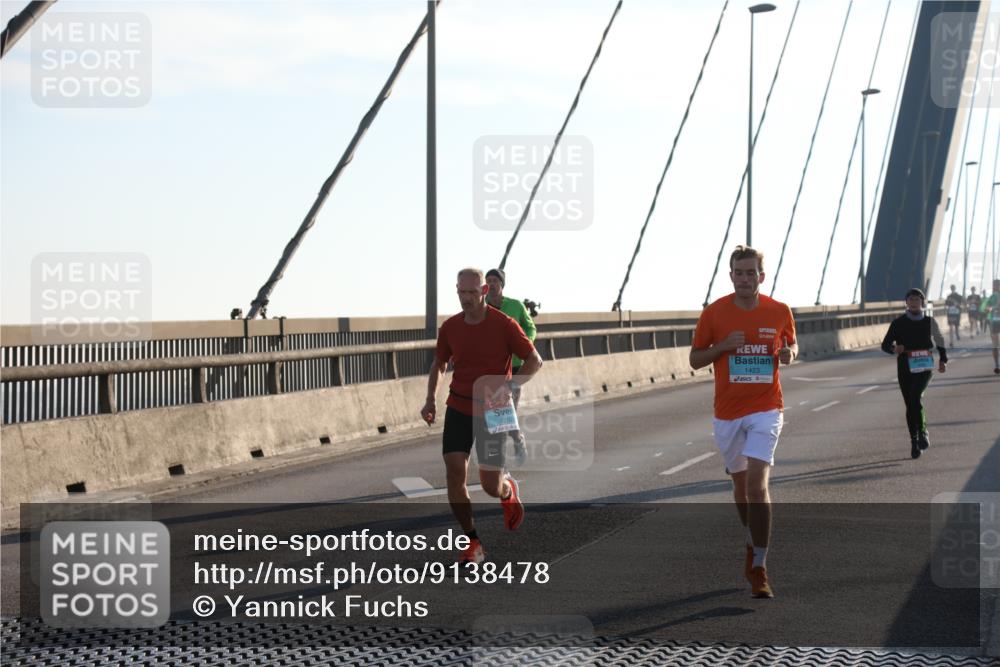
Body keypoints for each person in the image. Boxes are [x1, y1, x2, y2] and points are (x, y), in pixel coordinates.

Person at [690, 245, 797, 599]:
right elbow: (695, 359)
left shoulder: (779, 311)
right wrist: (722, 347)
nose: (745, 279)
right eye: (740, 273)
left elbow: (792, 345)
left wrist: (789, 354)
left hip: (767, 408)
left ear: (761, 277)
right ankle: (752, 541)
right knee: (740, 488)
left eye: (752, 273)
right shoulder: (714, 313)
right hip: (728, 413)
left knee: (756, 486)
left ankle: (760, 565)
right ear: (731, 276)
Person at [420, 268, 543, 564]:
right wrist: (430, 399)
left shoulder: (504, 324)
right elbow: (440, 363)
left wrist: (509, 386)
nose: (466, 298)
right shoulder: (451, 327)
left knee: (490, 486)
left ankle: (507, 491)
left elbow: (534, 360)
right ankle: (472, 542)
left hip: (494, 409)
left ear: (484, 291)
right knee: (454, 471)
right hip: (459, 405)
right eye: (461, 292)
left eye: (472, 292)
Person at [880, 288, 948, 459]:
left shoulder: (929, 321)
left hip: (924, 365)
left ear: (922, 302)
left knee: (915, 397)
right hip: (905, 366)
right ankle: (914, 441)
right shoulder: (898, 323)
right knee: (910, 404)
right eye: (911, 299)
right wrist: (894, 348)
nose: (914, 302)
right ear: (906, 303)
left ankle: (923, 432)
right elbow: (885, 345)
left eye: (917, 299)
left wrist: (943, 359)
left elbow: (939, 340)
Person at [485, 268, 537, 467]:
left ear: (502, 284)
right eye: (488, 280)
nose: (491, 284)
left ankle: (516, 440)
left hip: (515, 367)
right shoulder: (481, 308)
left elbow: (530, 327)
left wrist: (525, 344)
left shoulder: (515, 306)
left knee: (509, 411)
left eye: (495, 280)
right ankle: (499, 458)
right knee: (495, 415)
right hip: (491, 368)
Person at [982, 279, 1000, 374]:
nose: (995, 287)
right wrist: (988, 309)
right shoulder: (991, 297)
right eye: (994, 285)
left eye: (996, 285)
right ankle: (997, 365)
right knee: (995, 343)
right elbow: (984, 308)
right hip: (994, 322)